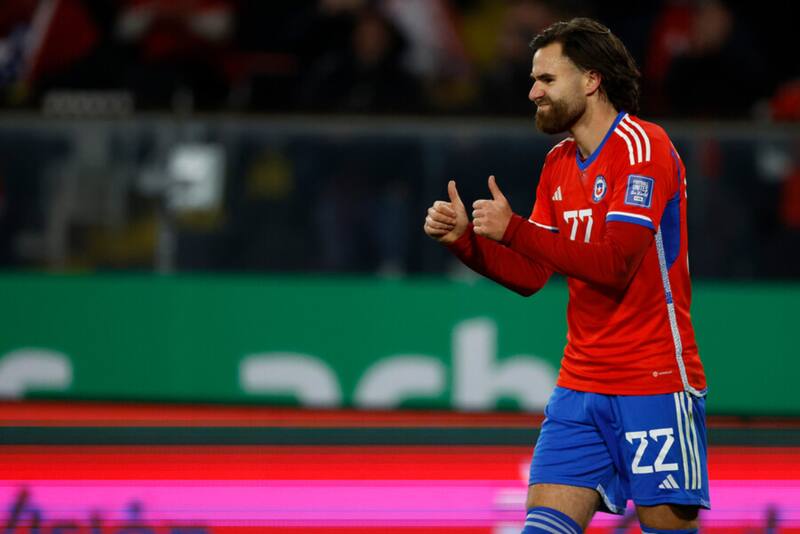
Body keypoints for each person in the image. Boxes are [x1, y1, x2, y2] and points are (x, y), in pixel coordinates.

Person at [423, 17, 708, 534]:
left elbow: (615, 264)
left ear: (592, 80)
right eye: (535, 80)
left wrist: (513, 230)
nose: (532, 91)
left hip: (654, 380)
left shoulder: (644, 149)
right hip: (580, 383)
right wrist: (466, 242)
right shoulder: (558, 163)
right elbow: (534, 274)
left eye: (547, 80)